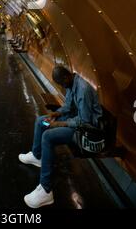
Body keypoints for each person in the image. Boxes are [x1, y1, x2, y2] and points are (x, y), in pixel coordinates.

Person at [19, 65, 102, 208]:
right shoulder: (71, 83)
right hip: (75, 120)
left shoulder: (83, 90)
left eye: (61, 83)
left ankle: (46, 190)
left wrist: (59, 124)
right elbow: (68, 106)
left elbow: (84, 121)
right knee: (41, 122)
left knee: (48, 137)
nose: (62, 86)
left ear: (66, 77)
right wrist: (56, 114)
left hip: (86, 131)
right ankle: (37, 156)